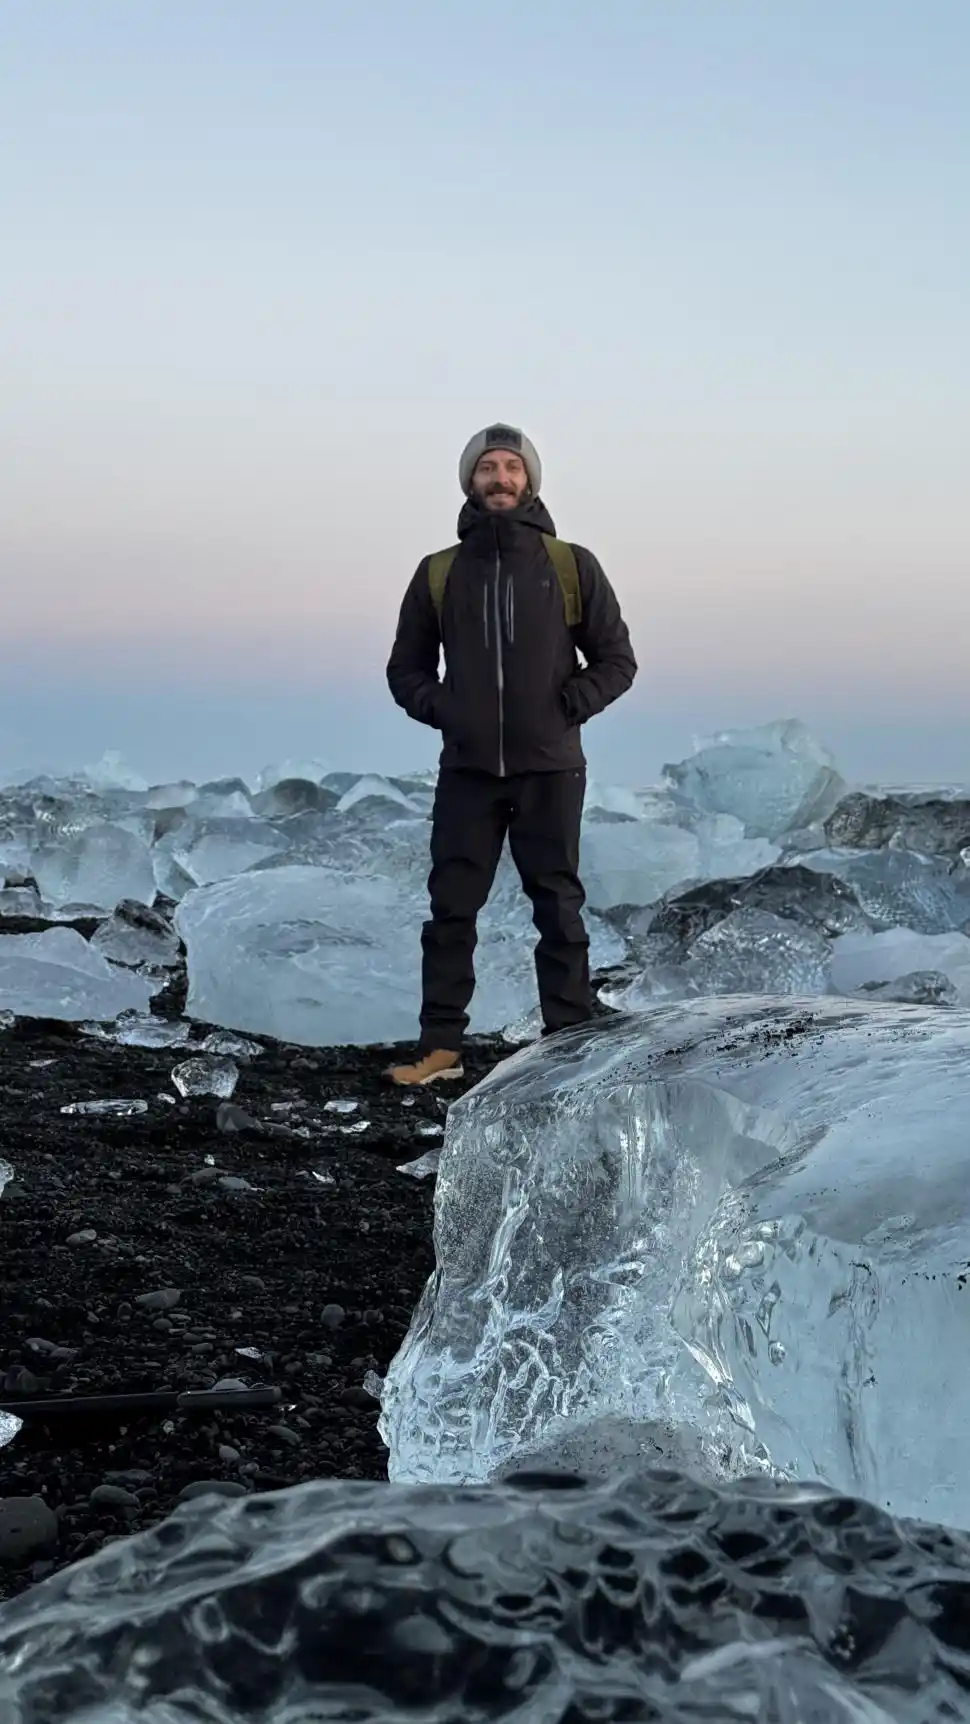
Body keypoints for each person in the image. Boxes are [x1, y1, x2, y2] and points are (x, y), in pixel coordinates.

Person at [384, 423, 637, 1085]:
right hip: (467, 771)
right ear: (471, 481)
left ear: (529, 480)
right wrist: (450, 711)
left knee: (558, 909)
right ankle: (440, 1049)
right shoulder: (439, 572)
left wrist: (567, 705)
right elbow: (406, 670)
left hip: (550, 768)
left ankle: (569, 1046)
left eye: (511, 467)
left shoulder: (570, 565)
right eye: (488, 467)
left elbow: (617, 660)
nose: (500, 477)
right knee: (450, 911)